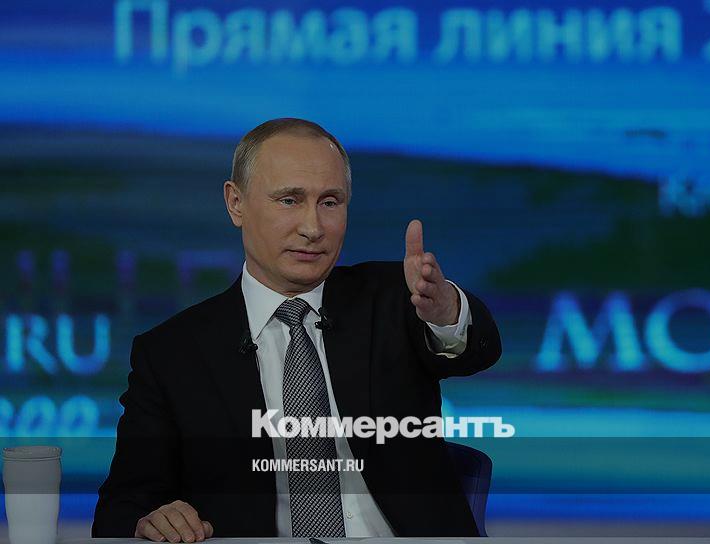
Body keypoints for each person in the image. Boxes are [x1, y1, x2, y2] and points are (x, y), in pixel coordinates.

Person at [92, 118, 502, 540]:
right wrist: (150, 522)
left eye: (330, 202)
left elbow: (477, 349)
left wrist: (447, 311)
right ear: (236, 203)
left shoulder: (396, 300)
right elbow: (121, 509)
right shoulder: (171, 355)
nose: (313, 227)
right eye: (289, 200)